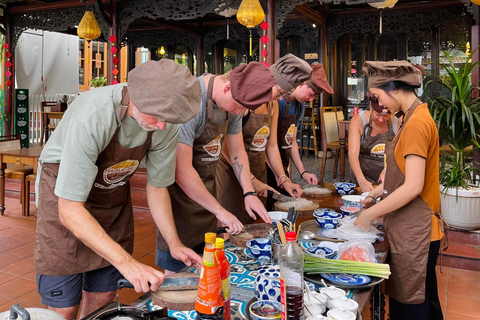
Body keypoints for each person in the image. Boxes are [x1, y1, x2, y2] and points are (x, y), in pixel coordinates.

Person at [34, 59, 203, 320]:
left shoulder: (167, 123)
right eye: (157, 117)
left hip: (110, 200)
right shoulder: (91, 116)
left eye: (167, 120)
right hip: (64, 202)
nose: (161, 126)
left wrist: (174, 243)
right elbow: (69, 210)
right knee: (64, 308)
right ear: (135, 98)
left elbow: (158, 187)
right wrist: (129, 264)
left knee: (103, 299)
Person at [156, 62, 276, 274]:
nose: (239, 112)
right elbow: (182, 170)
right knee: (178, 277)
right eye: (238, 106)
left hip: (207, 194)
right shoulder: (189, 100)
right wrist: (220, 210)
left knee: (208, 270)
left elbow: (238, 151)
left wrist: (248, 191)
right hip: (178, 201)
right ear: (228, 87)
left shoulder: (236, 101)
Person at [354, 61, 446, 320]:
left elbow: (414, 186)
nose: (380, 104)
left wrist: (369, 216)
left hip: (418, 231)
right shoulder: (410, 118)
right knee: (422, 299)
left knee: (412, 305)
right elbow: (405, 174)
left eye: (378, 96)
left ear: (392, 89)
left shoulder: (417, 124)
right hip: (410, 228)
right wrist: (376, 192)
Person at [215, 54, 313, 224]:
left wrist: (284, 179)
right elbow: (228, 148)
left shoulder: (273, 105)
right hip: (232, 174)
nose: (281, 97)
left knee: (256, 226)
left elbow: (272, 146)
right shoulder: (243, 104)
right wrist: (251, 181)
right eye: (280, 92)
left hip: (258, 171)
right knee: (231, 227)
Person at [266, 63, 333, 209]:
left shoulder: (298, 106)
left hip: (282, 163)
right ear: (302, 84)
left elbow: (292, 141)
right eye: (311, 95)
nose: (311, 100)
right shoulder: (278, 102)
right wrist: (279, 175)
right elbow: (267, 145)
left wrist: (302, 172)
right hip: (266, 164)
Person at [348, 90, 401, 192]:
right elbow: (353, 154)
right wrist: (361, 180)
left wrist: (387, 169)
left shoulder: (397, 121)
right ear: (371, 108)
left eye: (386, 116)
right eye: (378, 115)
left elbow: (399, 152)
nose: (381, 119)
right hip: (362, 176)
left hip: (388, 178)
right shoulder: (359, 120)